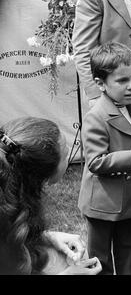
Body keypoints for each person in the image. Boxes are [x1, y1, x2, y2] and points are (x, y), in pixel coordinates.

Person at [77, 42, 131, 275]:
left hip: (127, 202)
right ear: (100, 84)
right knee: (100, 257)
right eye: (122, 81)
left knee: (127, 252)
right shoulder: (97, 117)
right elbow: (95, 162)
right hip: (102, 204)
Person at [0, 117, 102, 275]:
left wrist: (47, 237)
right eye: (66, 153)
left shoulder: (13, 196)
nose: (68, 152)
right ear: (42, 175)